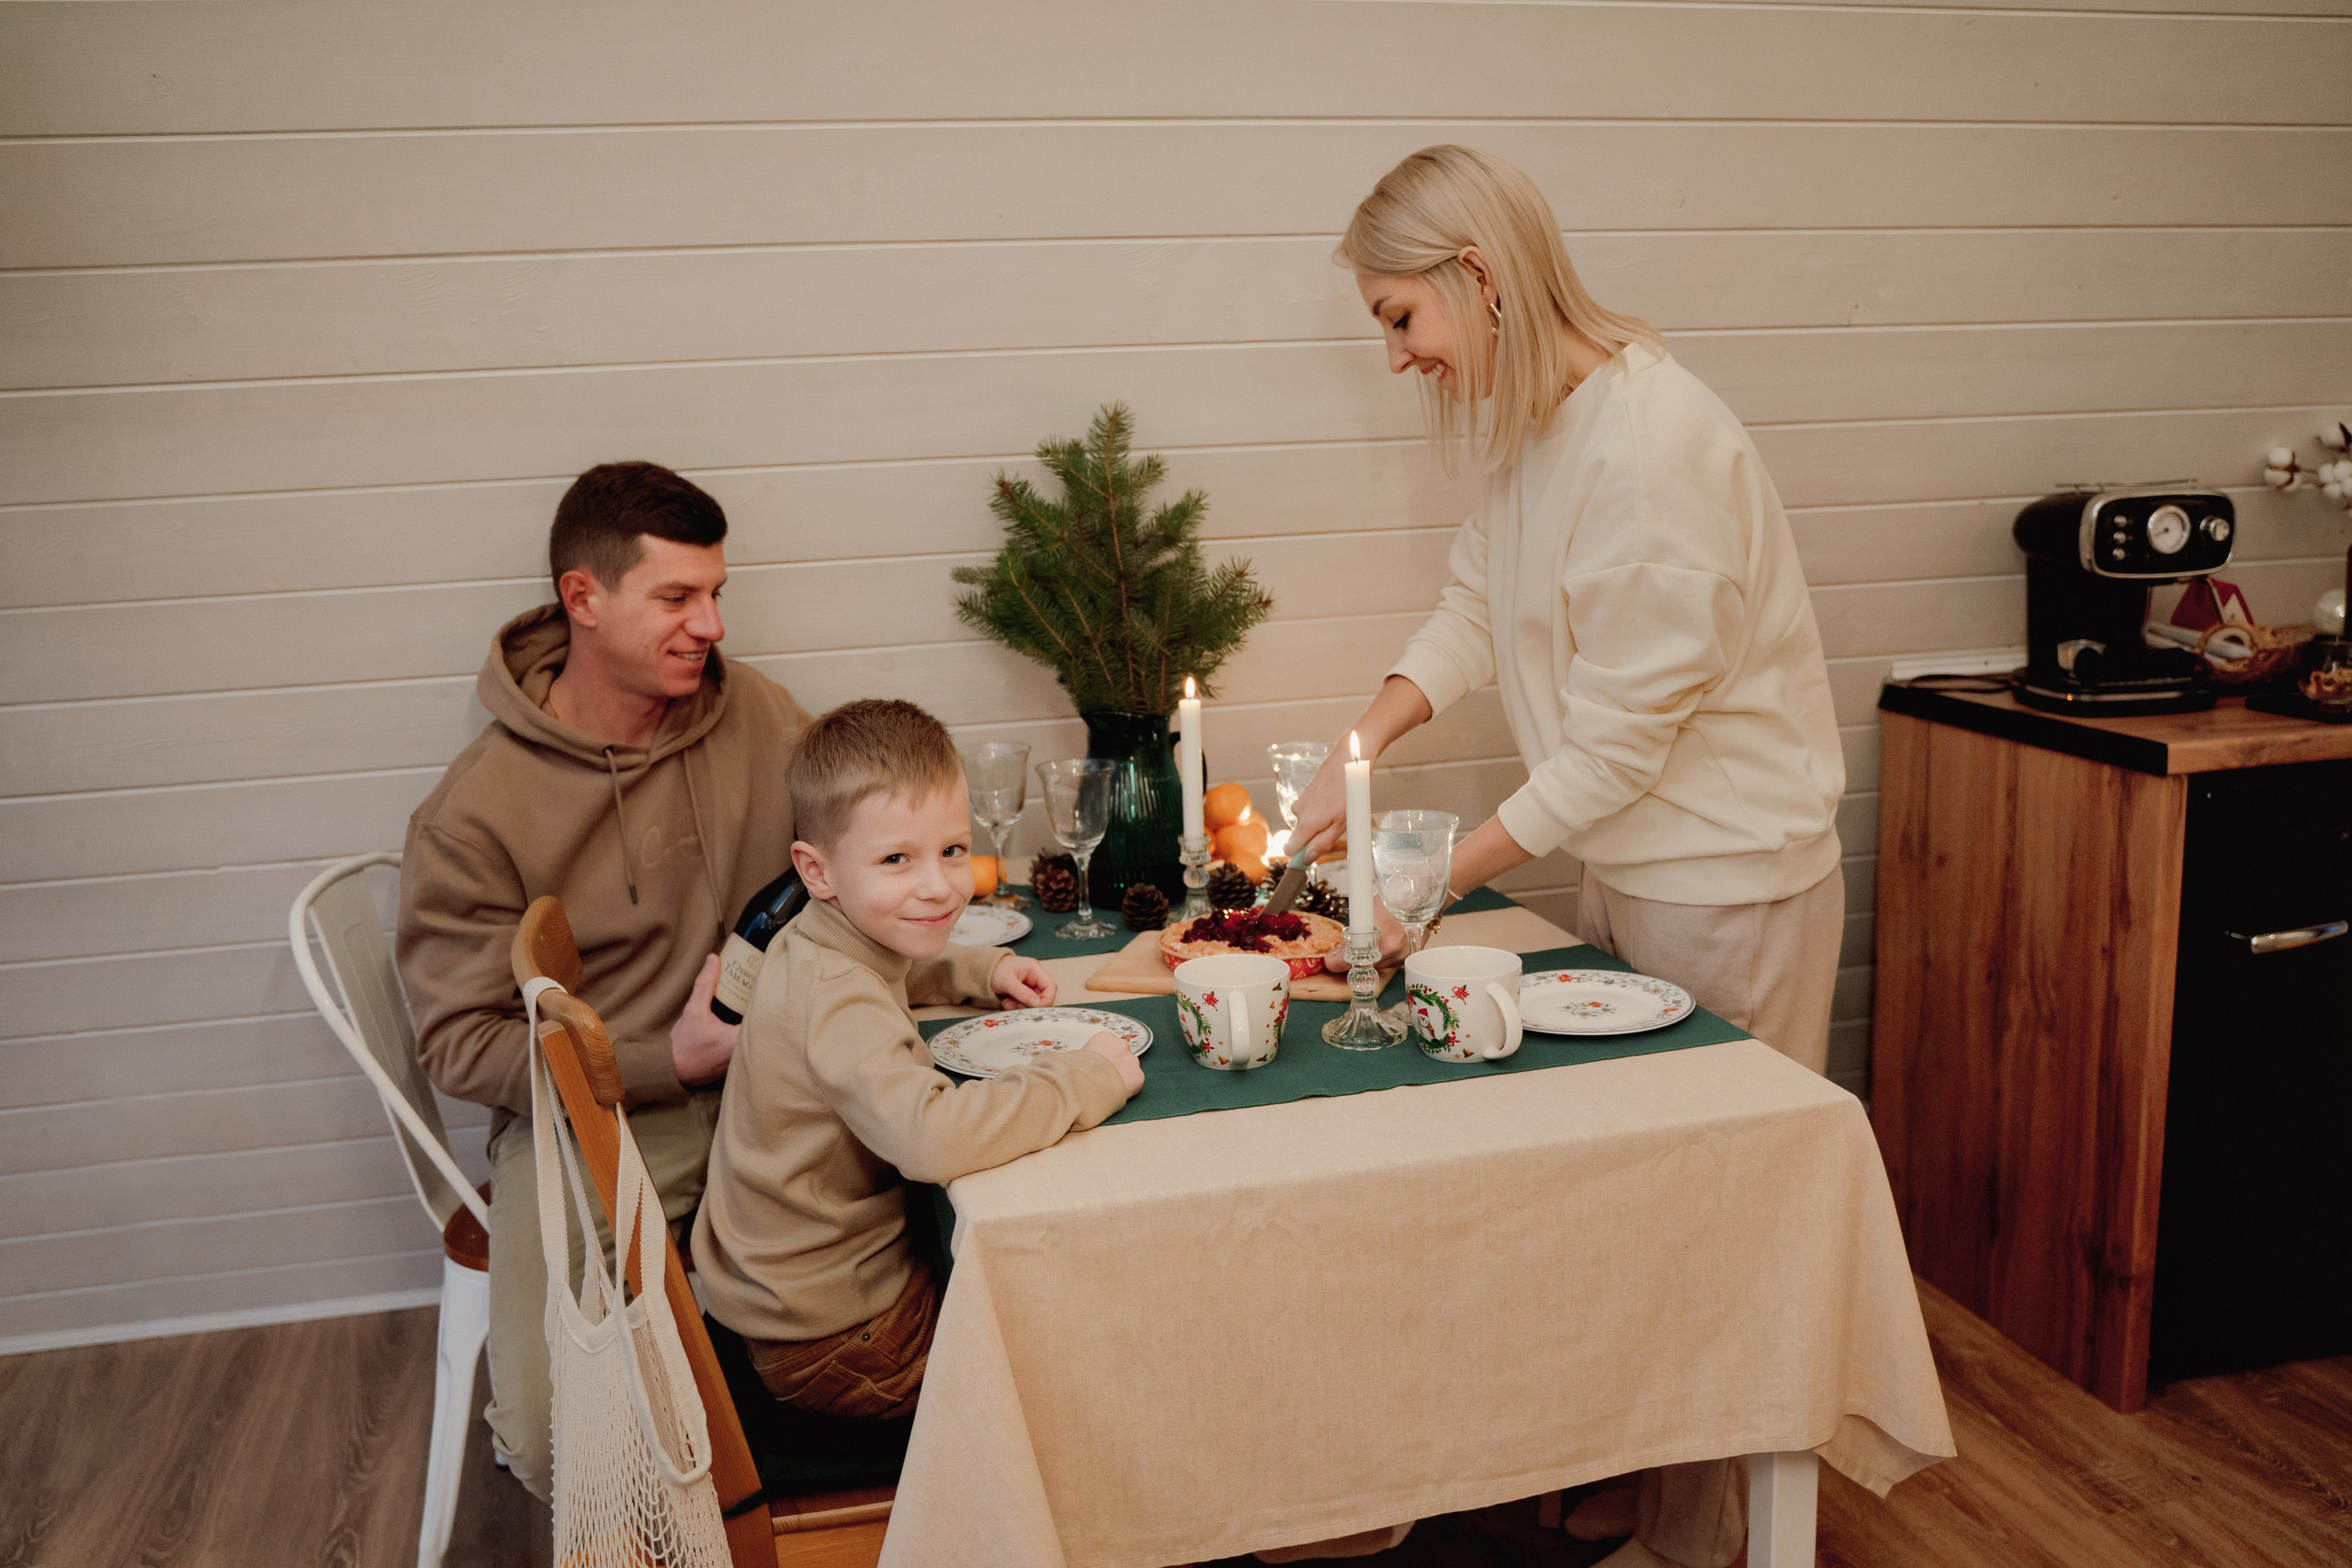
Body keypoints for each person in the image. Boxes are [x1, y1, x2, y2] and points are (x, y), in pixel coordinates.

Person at [1286, 147, 1849, 1568]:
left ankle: (1702, 1535)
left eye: (1400, 318)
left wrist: (1430, 887)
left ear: (1478, 276)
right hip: (1636, 866)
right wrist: (1365, 741)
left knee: (1716, 1224)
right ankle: (1640, 1484)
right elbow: (1476, 601)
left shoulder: (1654, 449)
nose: (1400, 356)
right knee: (1641, 1208)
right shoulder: (1541, 421)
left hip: (1730, 883)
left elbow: (1612, 754)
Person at [397, 460, 816, 1499]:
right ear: (581, 598)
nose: (710, 625)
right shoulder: (475, 813)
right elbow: (459, 1044)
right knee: (553, 1442)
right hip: (593, 1115)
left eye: (715, 593)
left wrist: (973, 958)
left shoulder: (759, 715)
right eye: (675, 598)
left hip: (776, 1081)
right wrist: (661, 1060)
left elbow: (858, 872)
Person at [691, 698, 1141, 1414]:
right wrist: (1083, 1076)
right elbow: (933, 1138)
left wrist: (978, 968)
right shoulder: (838, 998)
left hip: (780, 1292)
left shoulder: (812, 940)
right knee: (1076, 1362)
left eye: (952, 850)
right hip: (838, 1336)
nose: (938, 886)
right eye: (896, 858)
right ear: (817, 870)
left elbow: (883, 965)